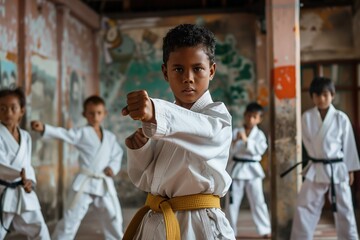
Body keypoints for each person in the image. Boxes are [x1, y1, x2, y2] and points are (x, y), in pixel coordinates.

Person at [121, 24, 235, 240]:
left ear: (211, 70)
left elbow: (204, 132)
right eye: (178, 69)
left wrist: (155, 110)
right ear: (165, 72)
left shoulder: (217, 117)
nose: (188, 78)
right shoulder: (164, 123)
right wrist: (140, 150)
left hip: (198, 224)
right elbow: (144, 181)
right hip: (156, 221)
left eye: (197, 69)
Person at [31, 95, 124, 240]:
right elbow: (65, 134)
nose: (95, 116)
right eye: (91, 113)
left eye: (99, 113)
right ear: (84, 114)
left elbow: (117, 154)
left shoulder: (110, 137)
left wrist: (112, 167)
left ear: (104, 113)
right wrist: (44, 128)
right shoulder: (82, 133)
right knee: (70, 218)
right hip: (84, 183)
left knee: (113, 218)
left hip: (103, 182)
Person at [289, 77, 360, 239]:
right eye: (317, 95)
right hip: (316, 167)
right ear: (312, 97)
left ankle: (350, 237)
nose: (321, 99)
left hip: (337, 167)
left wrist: (350, 170)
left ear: (332, 95)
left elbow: (349, 145)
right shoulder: (306, 117)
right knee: (304, 205)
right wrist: (316, 157)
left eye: (325, 95)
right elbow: (307, 142)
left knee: (345, 208)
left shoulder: (341, 118)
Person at [0, 87, 50, 239]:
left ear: (21, 111)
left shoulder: (25, 136)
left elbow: (27, 165)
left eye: (13, 108)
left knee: (41, 230)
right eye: (2, 108)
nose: (8, 113)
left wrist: (30, 181)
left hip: (22, 191)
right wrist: (18, 174)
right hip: (2, 191)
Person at [225, 102, 271, 238]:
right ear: (245, 116)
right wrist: (234, 142)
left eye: (255, 117)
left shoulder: (260, 135)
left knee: (258, 201)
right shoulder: (235, 132)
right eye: (249, 116)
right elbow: (228, 151)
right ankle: (230, 231)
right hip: (237, 170)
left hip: (253, 170)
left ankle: (265, 229)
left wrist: (246, 141)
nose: (251, 119)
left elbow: (260, 150)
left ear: (259, 119)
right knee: (232, 204)